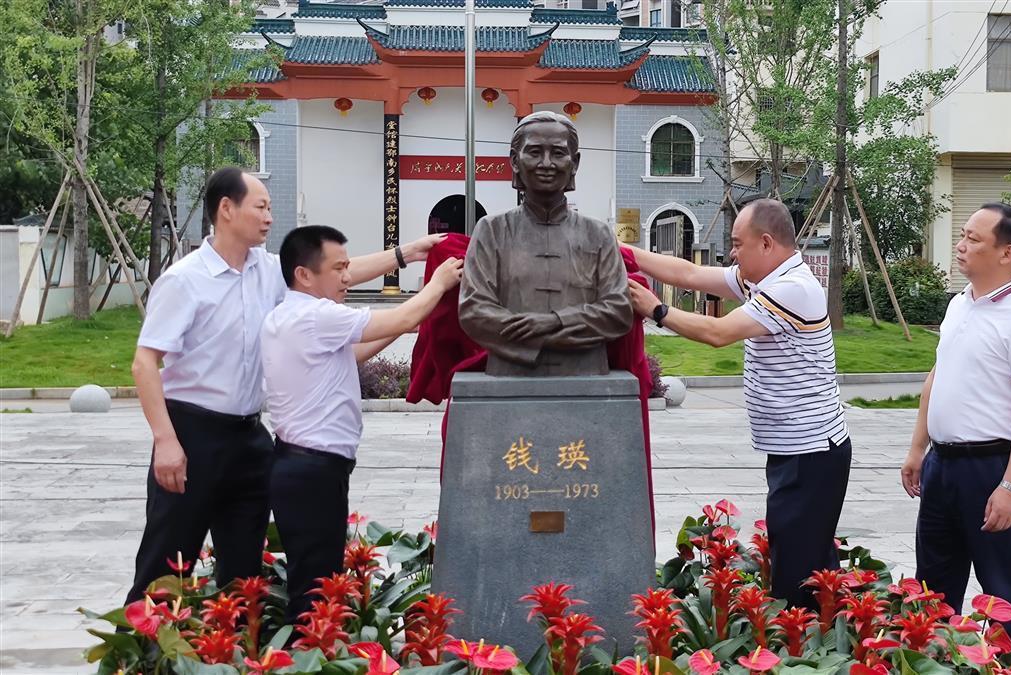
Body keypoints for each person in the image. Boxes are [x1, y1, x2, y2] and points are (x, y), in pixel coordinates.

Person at [126, 166, 444, 603]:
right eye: (261, 207)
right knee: (168, 556)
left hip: (251, 439)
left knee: (242, 569)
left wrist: (408, 253)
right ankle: (142, 658)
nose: (269, 217)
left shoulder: (266, 270)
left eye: (270, 208)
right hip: (192, 435)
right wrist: (165, 440)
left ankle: (237, 655)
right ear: (226, 209)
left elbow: (333, 270)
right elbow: (145, 364)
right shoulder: (185, 280)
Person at [626, 198, 851, 610]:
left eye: (736, 243)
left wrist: (655, 309)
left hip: (811, 452)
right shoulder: (765, 278)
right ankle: (827, 640)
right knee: (811, 562)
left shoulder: (791, 289)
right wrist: (622, 253)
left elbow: (717, 332)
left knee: (796, 572)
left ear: (766, 244)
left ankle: (798, 654)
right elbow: (690, 273)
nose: (731, 253)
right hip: (797, 449)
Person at [261, 225, 462, 622]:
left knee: (316, 577)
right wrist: (438, 284)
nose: (347, 277)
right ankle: (308, 661)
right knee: (316, 589)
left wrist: (413, 321)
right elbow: (401, 316)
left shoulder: (293, 316)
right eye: (338, 268)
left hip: (305, 466)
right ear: (304, 274)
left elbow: (355, 351)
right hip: (312, 470)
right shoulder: (315, 316)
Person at [900, 203, 1011, 651]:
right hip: (942, 467)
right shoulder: (959, 304)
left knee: (1004, 594)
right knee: (931, 593)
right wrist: (917, 450)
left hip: (991, 470)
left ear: (1006, 252)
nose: (961, 245)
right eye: (962, 235)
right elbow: (938, 376)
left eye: (973, 238)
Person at [459, 110, 632, 376]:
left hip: (586, 375)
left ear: (575, 163)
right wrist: (564, 333)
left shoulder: (598, 234)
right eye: (535, 152)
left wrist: (552, 322)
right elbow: (474, 312)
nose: (547, 163)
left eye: (559, 153)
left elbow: (618, 312)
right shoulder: (491, 230)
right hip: (509, 374)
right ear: (515, 161)